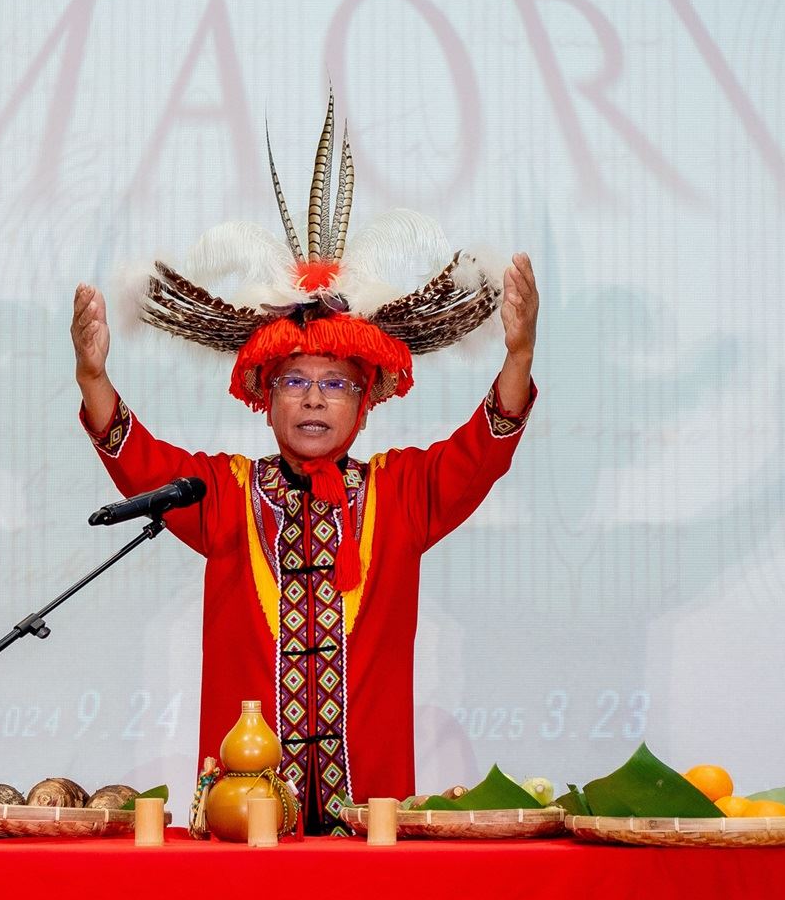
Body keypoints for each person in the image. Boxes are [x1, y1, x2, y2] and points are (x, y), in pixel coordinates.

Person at [73, 98, 538, 833]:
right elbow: (142, 463)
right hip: (247, 817)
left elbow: (480, 452)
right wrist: (94, 379)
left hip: (370, 817)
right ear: (265, 397)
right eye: (294, 380)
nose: (314, 398)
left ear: (366, 403)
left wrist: (518, 356)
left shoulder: (401, 492)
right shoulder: (224, 493)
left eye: (336, 384)